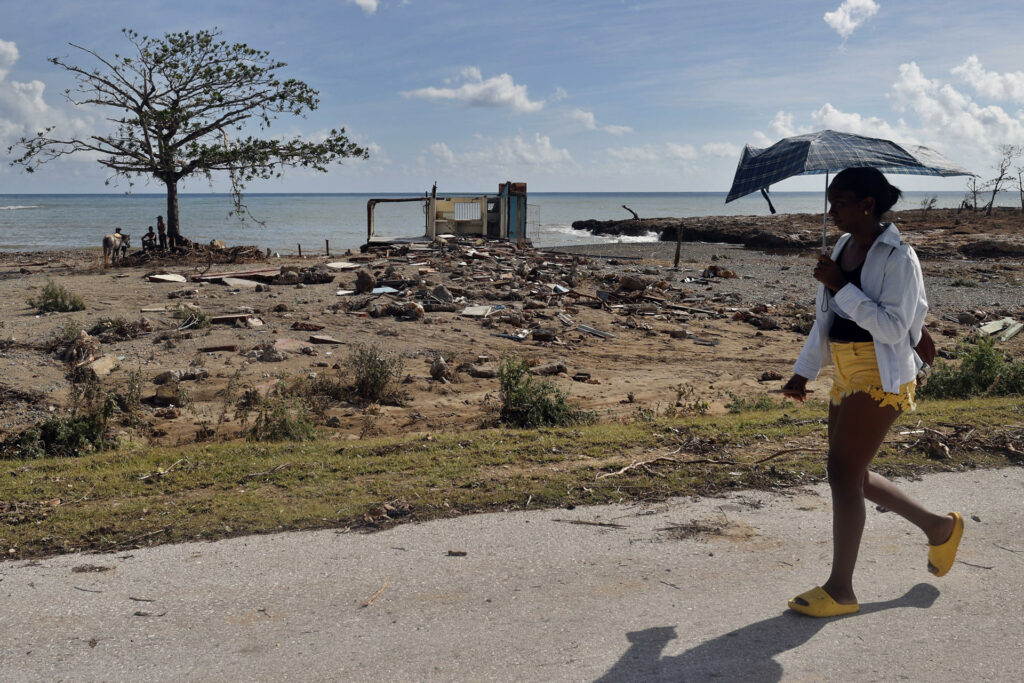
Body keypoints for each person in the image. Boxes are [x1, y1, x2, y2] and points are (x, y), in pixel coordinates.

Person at [781, 167, 963, 618]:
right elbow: (825, 319)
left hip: (881, 371)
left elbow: (893, 327)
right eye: (830, 202)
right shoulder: (842, 246)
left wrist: (841, 285)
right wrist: (803, 371)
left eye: (839, 202)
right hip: (844, 368)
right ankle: (938, 527)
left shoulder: (900, 257)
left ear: (867, 204)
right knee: (853, 475)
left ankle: (840, 590)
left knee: (842, 473)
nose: (832, 211)